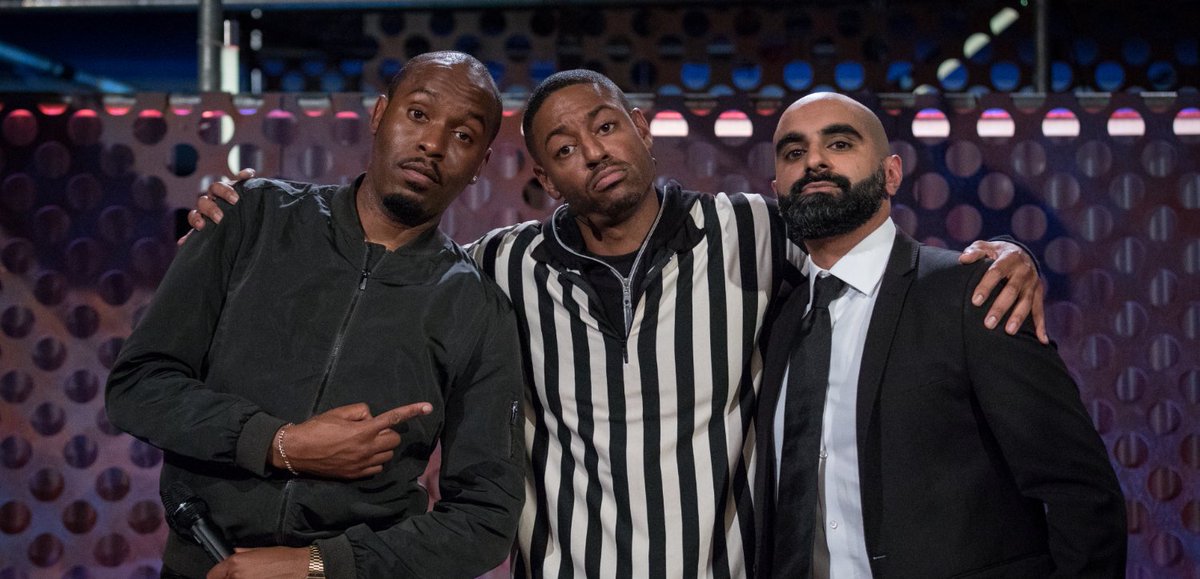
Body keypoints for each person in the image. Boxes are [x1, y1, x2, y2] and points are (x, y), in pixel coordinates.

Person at [192, 70, 1045, 577]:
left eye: (605, 127)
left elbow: (866, 249)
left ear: (641, 128)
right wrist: (245, 215)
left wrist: (1001, 253)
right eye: (564, 148)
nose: (593, 151)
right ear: (542, 177)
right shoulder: (495, 265)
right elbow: (380, 261)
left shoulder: (753, 228)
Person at [105, 51, 526, 579]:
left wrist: (318, 564)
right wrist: (280, 444)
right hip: (205, 564)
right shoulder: (252, 217)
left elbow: (484, 519)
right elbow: (138, 386)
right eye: (418, 114)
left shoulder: (477, 308)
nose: (433, 144)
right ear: (379, 114)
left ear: (482, 164)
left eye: (463, 135)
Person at [754, 92, 1126, 578]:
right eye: (794, 152)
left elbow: (1081, 491)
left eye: (840, 144)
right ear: (777, 187)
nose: (815, 161)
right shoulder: (775, 319)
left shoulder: (973, 293)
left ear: (891, 173)